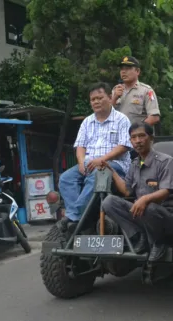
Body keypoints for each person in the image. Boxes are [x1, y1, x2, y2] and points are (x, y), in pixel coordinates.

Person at [101, 123, 173, 262]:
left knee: (148, 206)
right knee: (108, 202)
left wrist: (145, 199)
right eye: (133, 137)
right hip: (142, 214)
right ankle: (139, 236)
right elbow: (126, 191)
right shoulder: (135, 164)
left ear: (151, 138)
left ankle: (158, 242)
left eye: (142, 136)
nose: (137, 140)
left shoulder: (165, 161)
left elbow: (166, 191)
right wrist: (111, 170)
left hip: (165, 216)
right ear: (131, 141)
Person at [58, 82, 132, 231]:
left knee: (98, 175)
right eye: (93, 99)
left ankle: (74, 217)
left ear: (110, 97)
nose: (96, 102)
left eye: (100, 97)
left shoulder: (122, 119)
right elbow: (80, 146)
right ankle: (78, 216)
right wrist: (80, 162)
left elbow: (124, 146)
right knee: (65, 178)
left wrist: (102, 160)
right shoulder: (87, 121)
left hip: (114, 165)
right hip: (89, 163)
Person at [111, 56, 161, 127]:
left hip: (138, 136)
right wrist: (114, 98)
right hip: (118, 135)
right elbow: (106, 115)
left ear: (137, 71)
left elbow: (154, 117)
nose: (123, 71)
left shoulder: (147, 91)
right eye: (122, 69)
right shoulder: (115, 90)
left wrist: (136, 131)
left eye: (127, 68)